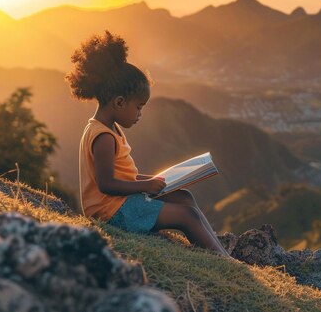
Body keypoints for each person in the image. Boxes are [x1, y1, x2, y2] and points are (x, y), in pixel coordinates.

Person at [65, 30, 230, 257]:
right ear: (120, 102)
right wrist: (145, 185)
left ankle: (218, 251)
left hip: (120, 202)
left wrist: (155, 181)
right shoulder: (102, 137)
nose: (140, 114)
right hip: (112, 212)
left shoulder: (111, 129)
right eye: (139, 107)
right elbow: (106, 184)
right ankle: (224, 261)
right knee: (186, 216)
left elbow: (122, 177)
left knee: (184, 198)